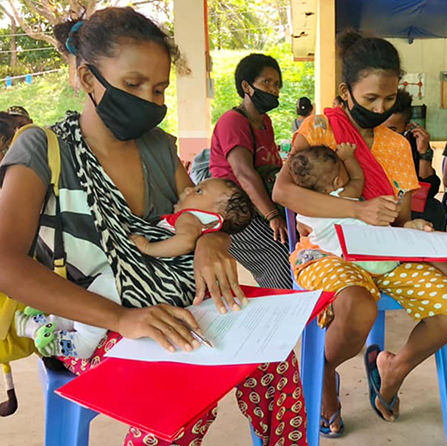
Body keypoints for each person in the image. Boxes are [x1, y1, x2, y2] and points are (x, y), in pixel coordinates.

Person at [0, 8, 307, 445]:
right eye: (132, 84)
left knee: (276, 358)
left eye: (159, 88)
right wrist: (121, 318)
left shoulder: (160, 149)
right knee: (182, 389)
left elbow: (201, 212)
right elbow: (6, 264)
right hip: (87, 321)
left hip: (170, 301)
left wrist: (212, 241)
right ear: (88, 79)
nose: (149, 99)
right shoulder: (42, 148)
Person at [274, 31, 447, 436]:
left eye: (389, 98)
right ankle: (323, 370)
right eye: (369, 99)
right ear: (346, 92)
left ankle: (392, 368)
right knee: (357, 305)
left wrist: (408, 223)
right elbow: (285, 192)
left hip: (383, 248)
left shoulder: (397, 146)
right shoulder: (321, 128)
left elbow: (398, 213)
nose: (381, 107)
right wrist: (357, 209)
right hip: (326, 250)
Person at [288, 143, 447, 289]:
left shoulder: (305, 212)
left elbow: (303, 231)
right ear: (338, 179)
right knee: (423, 247)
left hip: (350, 263)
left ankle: (410, 230)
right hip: (379, 253)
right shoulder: (343, 194)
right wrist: (349, 158)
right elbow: (358, 179)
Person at [209, 54, 293, 289]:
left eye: (277, 84)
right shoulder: (233, 122)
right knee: (280, 256)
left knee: (298, 248)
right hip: (235, 212)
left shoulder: (265, 122)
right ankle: (283, 314)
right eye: (267, 82)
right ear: (246, 86)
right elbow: (244, 173)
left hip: (259, 207)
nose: (274, 90)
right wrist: (273, 216)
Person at [131, 178, 253, 257]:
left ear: (215, 215)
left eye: (199, 191)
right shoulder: (199, 228)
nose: (188, 189)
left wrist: (147, 248)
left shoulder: (189, 218)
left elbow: (186, 242)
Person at [384, 90, 446, 229]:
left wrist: (424, 153)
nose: (384, 135)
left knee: (433, 208)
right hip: (378, 200)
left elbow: (428, 190)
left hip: (407, 202)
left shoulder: (412, 142)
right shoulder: (369, 141)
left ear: (406, 127)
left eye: (392, 130)